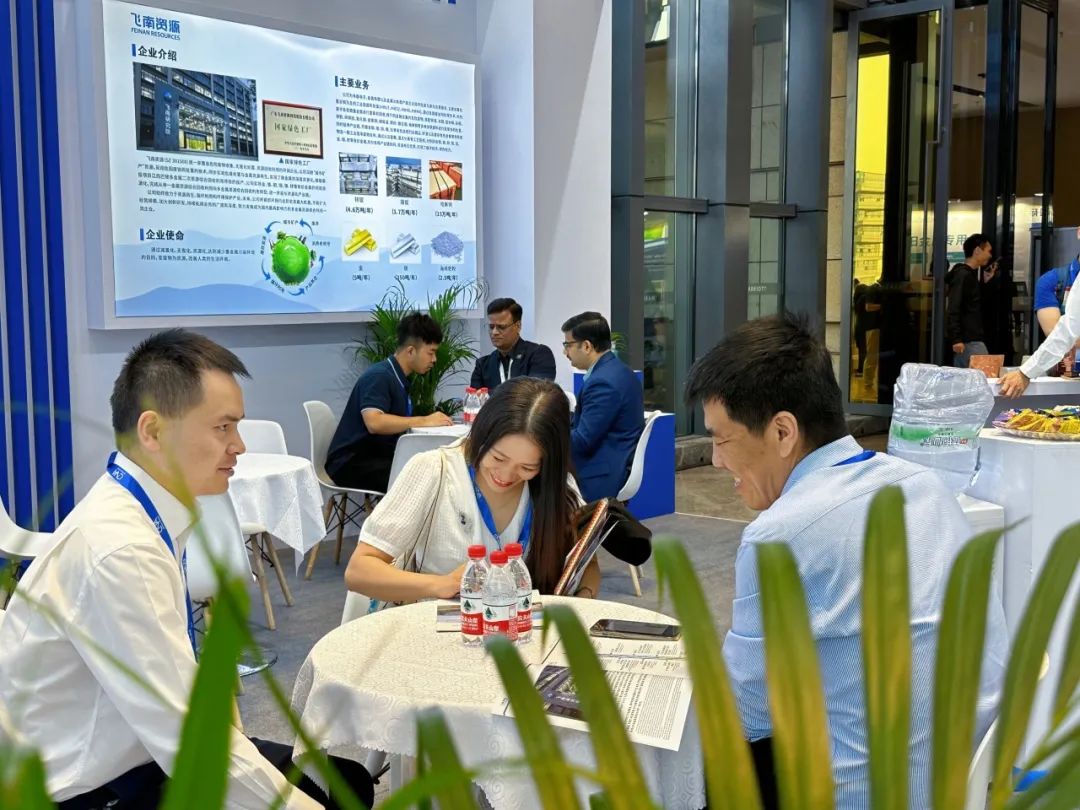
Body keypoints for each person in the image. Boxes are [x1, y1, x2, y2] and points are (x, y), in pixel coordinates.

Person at [0, 329, 374, 809]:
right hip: (89, 790)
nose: (238, 445)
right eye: (223, 428)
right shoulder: (121, 549)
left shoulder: (144, 509)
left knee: (345, 781)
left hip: (137, 749)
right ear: (153, 431)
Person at [684, 313, 1007, 810]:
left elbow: (743, 713)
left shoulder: (781, 535)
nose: (716, 460)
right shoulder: (924, 487)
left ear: (783, 431)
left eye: (722, 439)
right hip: (960, 781)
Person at [344, 376, 601, 600]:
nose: (505, 476)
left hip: (521, 633)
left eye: (527, 467)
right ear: (481, 435)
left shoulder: (556, 486)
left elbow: (585, 563)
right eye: (498, 458)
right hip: (437, 629)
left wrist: (583, 599)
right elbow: (359, 571)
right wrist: (441, 585)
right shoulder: (434, 470)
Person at [326, 312, 453, 493]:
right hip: (350, 463)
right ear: (411, 351)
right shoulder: (380, 376)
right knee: (425, 478)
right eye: (431, 352)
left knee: (432, 468)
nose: (434, 360)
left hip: (375, 456)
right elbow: (374, 422)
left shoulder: (398, 377)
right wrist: (424, 420)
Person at [561, 312, 644, 503]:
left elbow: (582, 442)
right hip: (612, 459)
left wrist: (546, 434)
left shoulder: (603, 382)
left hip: (599, 473)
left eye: (568, 345)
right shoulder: (617, 370)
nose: (565, 353)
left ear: (587, 346)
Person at [470, 297, 557, 391]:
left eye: (501, 327)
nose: (494, 332)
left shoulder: (539, 354)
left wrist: (492, 396)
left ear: (518, 326)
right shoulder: (483, 365)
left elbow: (536, 393)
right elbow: (474, 398)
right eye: (491, 327)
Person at [945, 233, 995, 368]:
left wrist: (986, 282)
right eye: (988, 251)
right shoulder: (963, 275)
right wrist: (956, 339)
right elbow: (954, 306)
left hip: (969, 340)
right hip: (969, 340)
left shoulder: (969, 275)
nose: (990, 255)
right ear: (977, 251)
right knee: (986, 374)